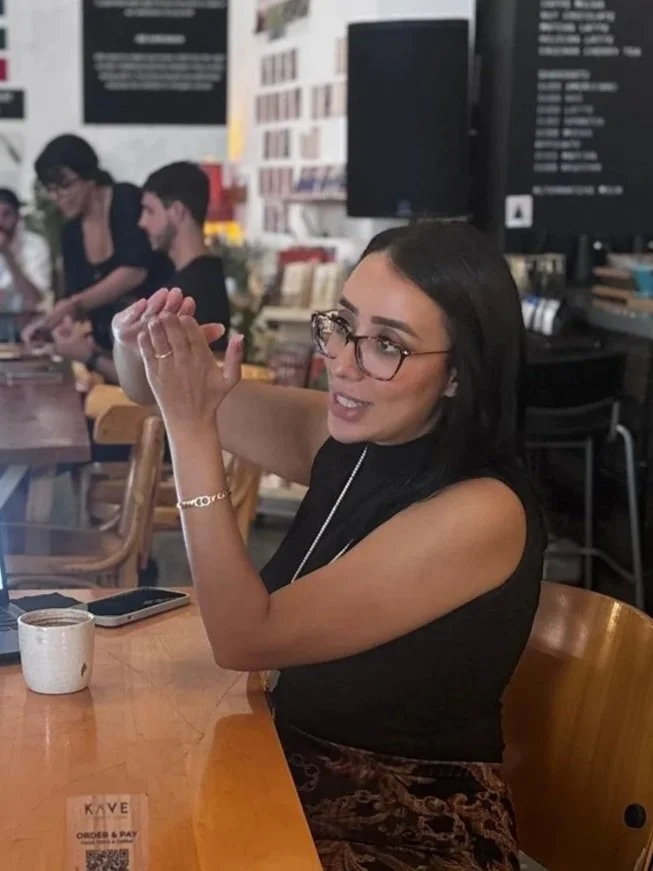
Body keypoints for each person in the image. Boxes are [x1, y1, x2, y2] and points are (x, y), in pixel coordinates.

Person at [112, 221, 544, 871]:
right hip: (285, 773)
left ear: (458, 374)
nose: (341, 362)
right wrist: (137, 339)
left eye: (386, 345)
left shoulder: (483, 511)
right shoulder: (348, 434)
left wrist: (191, 431)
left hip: (409, 829)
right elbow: (150, 386)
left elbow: (244, 639)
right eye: (342, 325)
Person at [22, 134, 171, 350]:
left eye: (64, 186)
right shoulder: (70, 231)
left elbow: (134, 271)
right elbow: (73, 296)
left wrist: (74, 304)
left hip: (151, 337)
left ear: (89, 177)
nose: (56, 196)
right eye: (51, 189)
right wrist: (47, 325)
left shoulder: (126, 199)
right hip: (107, 346)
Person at [139, 161, 230, 351]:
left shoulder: (188, 291)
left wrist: (91, 356)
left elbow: (162, 367)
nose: (142, 222)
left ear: (177, 212)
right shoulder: (208, 273)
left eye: (150, 210)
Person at [0, 188, 52, 340]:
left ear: (18, 217)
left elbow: (34, 300)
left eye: (6, 214)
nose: (0, 221)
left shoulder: (35, 245)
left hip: (26, 323)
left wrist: (7, 254)